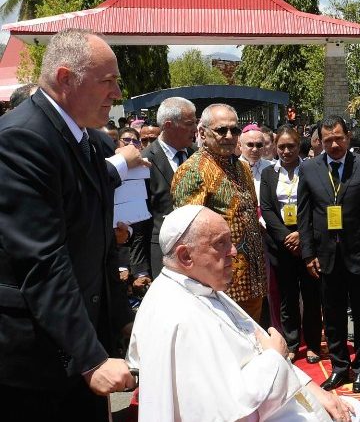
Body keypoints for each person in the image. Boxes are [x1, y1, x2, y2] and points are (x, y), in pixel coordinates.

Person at [0, 29, 145, 419]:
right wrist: (90, 357)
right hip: (37, 363)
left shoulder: (91, 142)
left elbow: (100, 244)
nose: (117, 93)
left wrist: (120, 321)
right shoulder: (21, 139)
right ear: (66, 78)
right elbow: (43, 260)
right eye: (107, 81)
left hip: (84, 345)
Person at [126, 205, 360, 422]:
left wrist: (317, 393)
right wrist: (275, 357)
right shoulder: (175, 316)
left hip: (272, 401)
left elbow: (255, 349)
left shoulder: (201, 287)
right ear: (185, 256)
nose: (233, 251)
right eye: (220, 243)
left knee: (355, 410)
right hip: (259, 413)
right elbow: (221, 409)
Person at [298, 116, 360, 394]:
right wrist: (308, 254)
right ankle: (339, 366)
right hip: (326, 256)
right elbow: (304, 216)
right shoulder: (309, 168)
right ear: (320, 142)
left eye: (339, 138)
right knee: (333, 315)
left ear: (348, 137)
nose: (334, 145)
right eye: (328, 140)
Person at [173, 103, 267, 322]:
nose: (229, 136)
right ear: (202, 133)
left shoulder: (242, 168)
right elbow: (190, 235)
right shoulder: (192, 171)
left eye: (234, 130)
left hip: (253, 280)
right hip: (220, 285)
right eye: (221, 130)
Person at [260, 126, 322, 362]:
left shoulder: (312, 169)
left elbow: (319, 204)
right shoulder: (268, 173)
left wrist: (302, 236)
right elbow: (267, 209)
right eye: (282, 147)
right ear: (275, 147)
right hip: (281, 243)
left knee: (311, 295)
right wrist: (286, 236)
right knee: (288, 296)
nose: (286, 151)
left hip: (308, 241)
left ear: (299, 146)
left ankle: (313, 344)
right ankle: (293, 342)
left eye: (291, 146)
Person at [131, 96, 197, 285]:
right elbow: (138, 221)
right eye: (189, 124)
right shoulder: (143, 162)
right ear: (168, 125)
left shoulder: (198, 155)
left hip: (197, 256)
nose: (195, 129)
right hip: (162, 257)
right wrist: (140, 269)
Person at [240, 124, 271, 200]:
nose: (255, 149)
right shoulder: (232, 168)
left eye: (259, 145)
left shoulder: (272, 167)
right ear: (240, 146)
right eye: (250, 145)